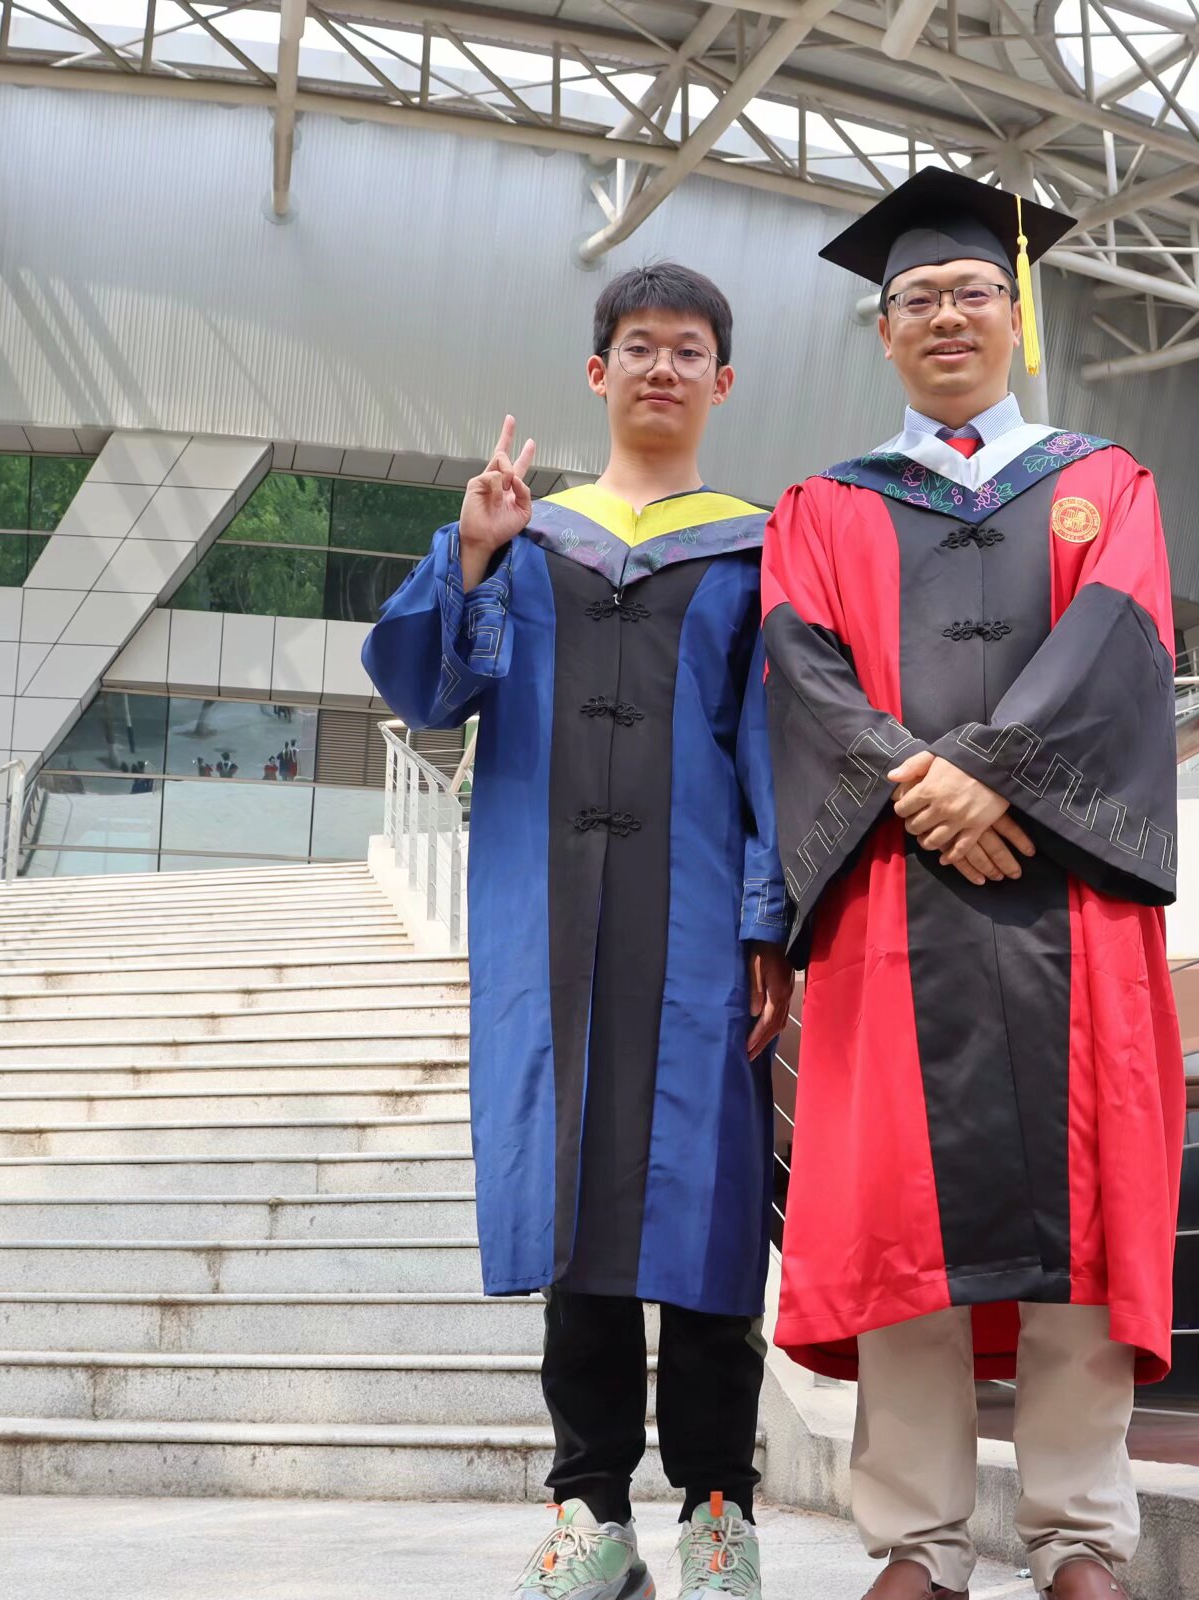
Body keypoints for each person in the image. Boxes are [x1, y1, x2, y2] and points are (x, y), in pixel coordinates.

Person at [760, 169, 1184, 1600]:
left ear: (1016, 313)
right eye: (918, 299)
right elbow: (801, 672)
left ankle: (1079, 1539)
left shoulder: (1105, 482)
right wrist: (920, 782)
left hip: (1069, 900)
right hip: (897, 897)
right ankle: (918, 1546)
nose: (947, 316)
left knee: (1087, 1224)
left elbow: (1120, 643)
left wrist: (990, 772)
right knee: (899, 1226)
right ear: (882, 330)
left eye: (972, 293)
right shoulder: (822, 508)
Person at [363, 262, 792, 1600]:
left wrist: (770, 917)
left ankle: (718, 1510)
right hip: (550, 926)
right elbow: (429, 688)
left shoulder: (760, 546)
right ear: (597, 373)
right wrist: (471, 552)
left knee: (713, 1214)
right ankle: (591, 1513)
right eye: (638, 346)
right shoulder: (526, 536)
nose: (662, 367)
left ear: (723, 381)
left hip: (698, 923)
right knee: (576, 1220)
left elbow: (775, 742)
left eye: (688, 349)